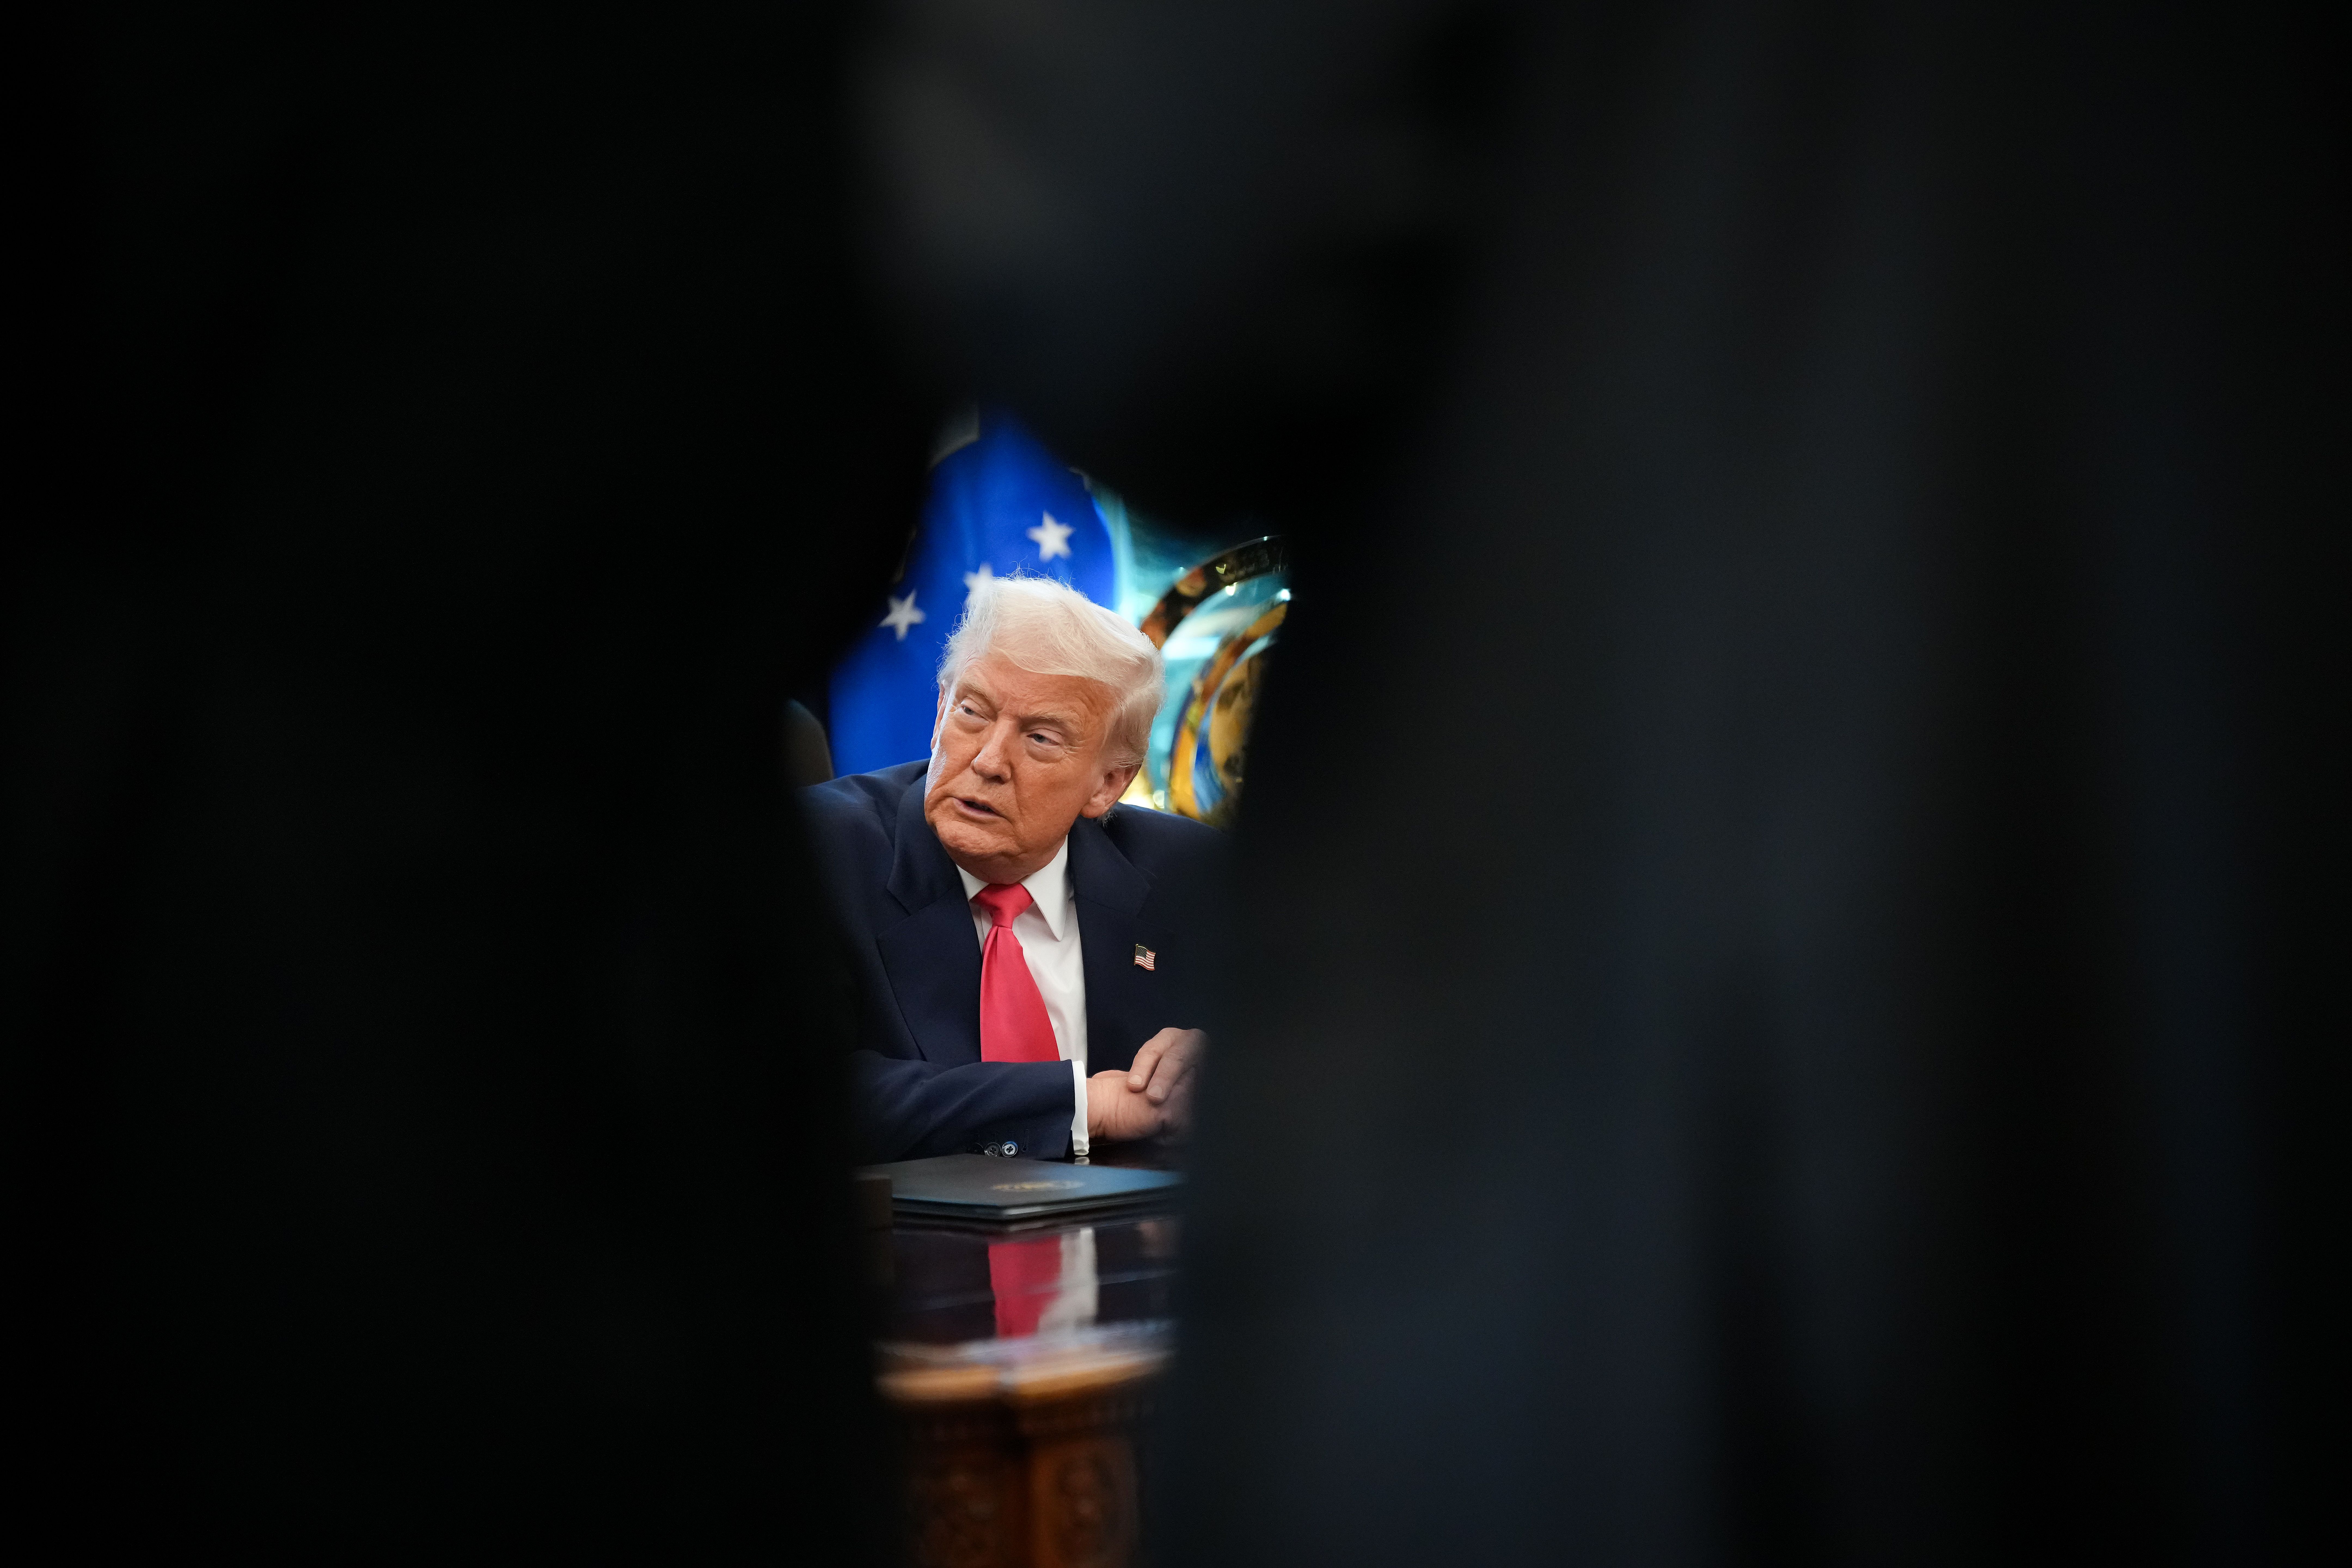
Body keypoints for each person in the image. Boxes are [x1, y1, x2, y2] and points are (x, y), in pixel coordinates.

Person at [805, 576, 1228, 1162]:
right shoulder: (816, 851)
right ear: (940, 710)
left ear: (1108, 784)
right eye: (972, 712)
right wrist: (1085, 1105)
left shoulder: (1193, 875)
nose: (988, 760)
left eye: (1041, 738)